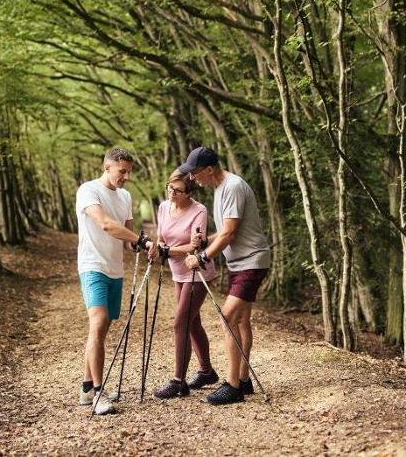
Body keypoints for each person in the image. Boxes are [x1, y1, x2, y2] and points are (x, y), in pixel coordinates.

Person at [181, 147, 270, 405]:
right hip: (240, 262)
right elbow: (225, 232)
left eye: (195, 174)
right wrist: (206, 240)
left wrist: (201, 257)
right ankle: (243, 379)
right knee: (241, 320)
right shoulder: (221, 189)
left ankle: (232, 386)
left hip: (251, 261)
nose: (193, 180)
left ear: (209, 170)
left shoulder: (232, 187)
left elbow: (229, 233)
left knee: (228, 318)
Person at [76, 148, 157, 415]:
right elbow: (106, 225)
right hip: (93, 266)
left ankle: (87, 387)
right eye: (122, 171)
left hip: (115, 270)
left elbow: (127, 239)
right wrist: (140, 240)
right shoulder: (88, 190)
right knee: (97, 323)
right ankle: (99, 393)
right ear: (107, 167)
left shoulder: (125, 196)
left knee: (101, 329)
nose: (127, 176)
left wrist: (143, 246)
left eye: (130, 172)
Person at [152, 169, 219, 399]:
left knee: (180, 322)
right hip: (177, 273)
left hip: (197, 272)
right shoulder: (163, 207)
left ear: (189, 192)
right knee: (192, 322)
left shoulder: (198, 210)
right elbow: (161, 237)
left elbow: (194, 247)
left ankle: (178, 382)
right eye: (170, 188)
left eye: (178, 190)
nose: (172, 193)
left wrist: (167, 251)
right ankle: (207, 372)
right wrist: (159, 248)